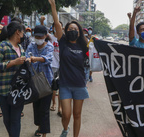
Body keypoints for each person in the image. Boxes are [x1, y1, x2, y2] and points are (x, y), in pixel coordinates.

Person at [49, 0, 89, 136]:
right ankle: (65, 129)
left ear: (79, 32)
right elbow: (56, 24)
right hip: (65, 85)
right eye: (70, 29)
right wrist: (53, 6)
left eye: (75, 29)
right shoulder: (63, 43)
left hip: (79, 85)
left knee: (77, 115)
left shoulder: (84, 45)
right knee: (66, 114)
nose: (72, 31)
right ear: (66, 31)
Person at [0, 21, 26, 137]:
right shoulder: (2, 46)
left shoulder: (21, 47)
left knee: (15, 119)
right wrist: (12, 62)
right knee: (7, 119)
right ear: (18, 32)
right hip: (3, 89)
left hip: (18, 90)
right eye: (22, 32)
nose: (23, 34)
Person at [25, 25, 54, 137]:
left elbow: (48, 59)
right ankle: (39, 127)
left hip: (47, 83)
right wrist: (28, 59)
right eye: (36, 36)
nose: (38, 38)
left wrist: (35, 59)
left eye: (40, 36)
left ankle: (44, 134)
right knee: (36, 108)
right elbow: (27, 56)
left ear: (45, 36)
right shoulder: (31, 46)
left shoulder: (49, 47)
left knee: (44, 110)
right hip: (34, 82)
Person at [50, 22, 63, 118]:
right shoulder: (50, 37)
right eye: (56, 27)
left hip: (62, 66)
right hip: (53, 65)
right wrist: (42, 22)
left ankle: (60, 107)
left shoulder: (64, 39)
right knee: (54, 87)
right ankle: (53, 103)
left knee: (61, 88)